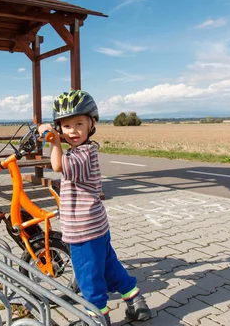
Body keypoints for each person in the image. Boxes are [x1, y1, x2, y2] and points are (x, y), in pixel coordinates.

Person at [38, 90, 151, 326]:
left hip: (83, 231)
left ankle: (97, 318)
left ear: (92, 123)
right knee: (109, 266)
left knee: (88, 277)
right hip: (97, 226)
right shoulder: (85, 151)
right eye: (66, 126)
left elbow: (57, 165)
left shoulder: (82, 155)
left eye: (79, 123)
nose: (73, 131)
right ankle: (136, 302)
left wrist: (53, 140)